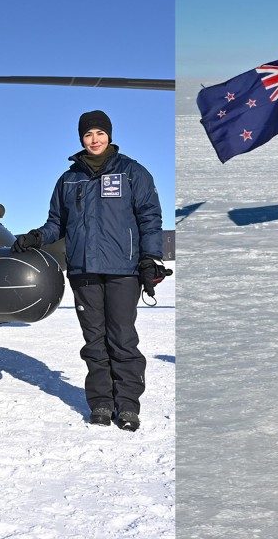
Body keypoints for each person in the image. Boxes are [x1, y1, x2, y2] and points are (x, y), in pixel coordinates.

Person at [13, 110, 165, 432]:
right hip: (83, 270)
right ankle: (101, 403)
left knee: (122, 338)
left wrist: (150, 257)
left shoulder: (132, 172)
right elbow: (57, 223)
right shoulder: (69, 179)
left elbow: (150, 217)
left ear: (109, 135)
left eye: (99, 133)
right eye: (88, 134)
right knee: (94, 341)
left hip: (123, 269)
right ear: (81, 138)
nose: (94, 140)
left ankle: (128, 405)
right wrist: (37, 237)